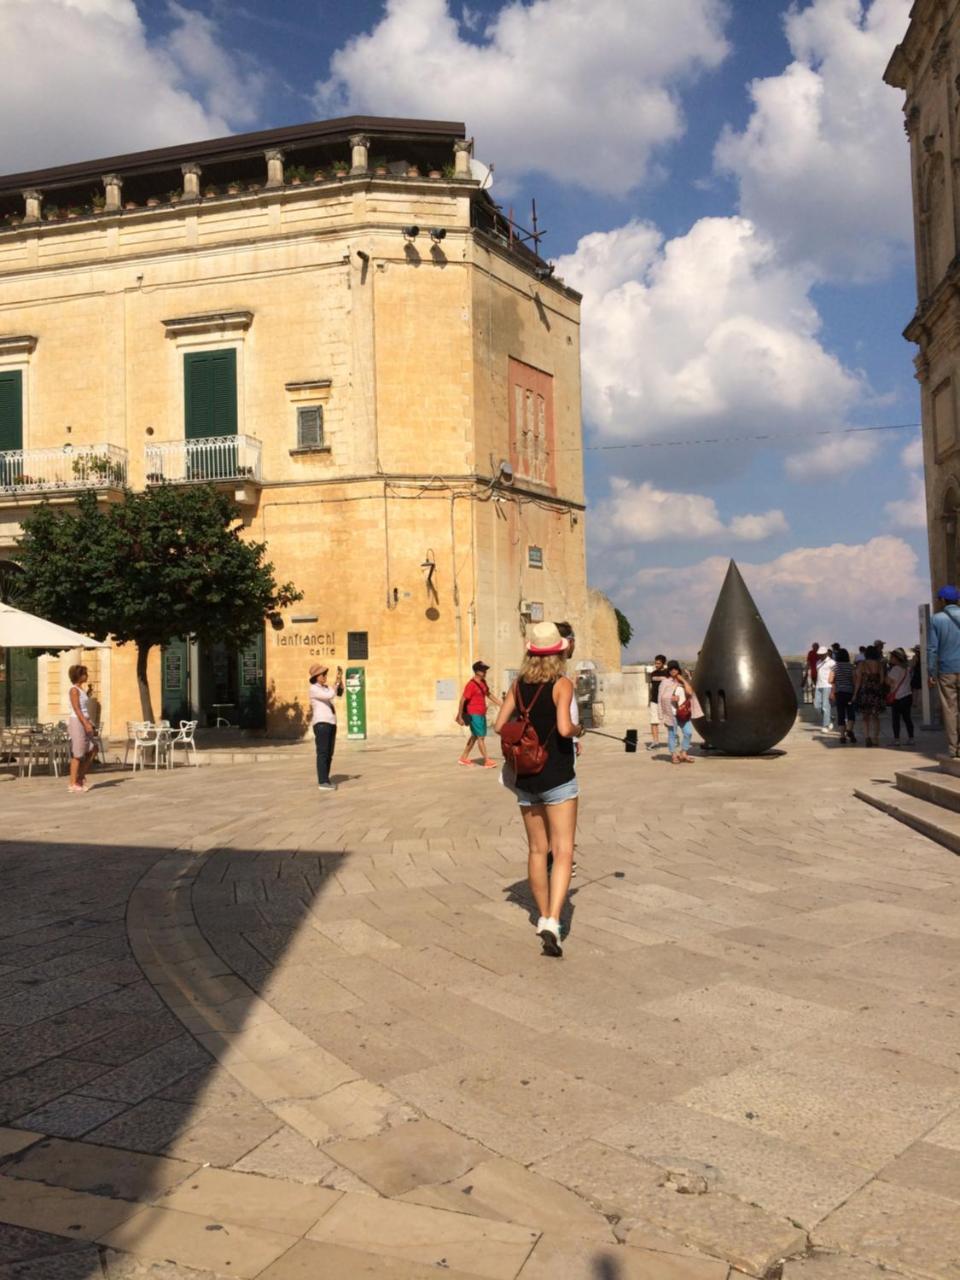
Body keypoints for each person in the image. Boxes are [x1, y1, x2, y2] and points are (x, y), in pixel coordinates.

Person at [494, 621, 582, 957]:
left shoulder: (518, 685)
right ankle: (553, 921)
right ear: (560, 650)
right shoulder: (562, 684)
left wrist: (524, 728)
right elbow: (563, 728)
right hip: (558, 776)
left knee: (536, 850)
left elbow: (499, 726)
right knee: (562, 851)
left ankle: (541, 913)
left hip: (526, 777)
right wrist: (579, 729)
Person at [928, 585, 960, 757]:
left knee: (949, 709)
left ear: (942, 600)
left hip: (946, 670)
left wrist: (931, 672)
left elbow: (932, 648)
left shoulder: (937, 619)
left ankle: (953, 748)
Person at [456, 660, 501, 768]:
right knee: (481, 737)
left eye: (485, 670)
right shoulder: (471, 685)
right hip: (473, 714)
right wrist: (460, 715)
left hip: (481, 713)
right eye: (483, 670)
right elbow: (462, 700)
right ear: (477, 671)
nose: (485, 672)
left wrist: (500, 703)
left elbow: (488, 694)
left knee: (475, 736)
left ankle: (463, 758)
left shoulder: (483, 683)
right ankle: (487, 761)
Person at [658, 660, 701, 763]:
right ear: (668, 670)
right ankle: (673, 755)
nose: (673, 670)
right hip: (671, 713)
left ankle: (683, 753)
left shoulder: (682, 681)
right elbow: (660, 697)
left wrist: (683, 680)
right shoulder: (665, 682)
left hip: (683, 713)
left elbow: (690, 692)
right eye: (671, 669)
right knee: (672, 734)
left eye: (675, 668)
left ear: (678, 669)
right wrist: (671, 698)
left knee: (688, 733)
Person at [309, 663, 343, 791]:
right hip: (321, 723)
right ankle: (322, 781)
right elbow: (329, 696)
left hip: (331, 722)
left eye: (325, 674)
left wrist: (340, 682)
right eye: (323, 674)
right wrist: (334, 687)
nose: (325, 676)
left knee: (329, 753)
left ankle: (326, 779)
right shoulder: (313, 688)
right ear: (316, 677)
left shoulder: (326, 688)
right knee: (323, 752)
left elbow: (338, 694)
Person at [67, 664, 96, 793]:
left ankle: (80, 777)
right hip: (78, 722)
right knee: (78, 753)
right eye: (85, 673)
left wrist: (89, 692)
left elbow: (83, 705)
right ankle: (73, 783)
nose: (87, 675)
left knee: (93, 748)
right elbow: (76, 708)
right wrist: (85, 723)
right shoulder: (73, 690)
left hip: (84, 720)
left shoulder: (80, 689)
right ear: (79, 676)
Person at [853, 645, 885, 747]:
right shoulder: (880, 665)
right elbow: (882, 680)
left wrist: (855, 694)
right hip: (876, 692)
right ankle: (875, 738)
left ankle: (867, 737)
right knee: (875, 717)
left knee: (865, 717)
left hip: (865, 692)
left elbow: (858, 681)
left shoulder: (862, 664)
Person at [886, 648, 914, 748]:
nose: (891, 658)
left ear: (896, 658)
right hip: (907, 695)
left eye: (892, 657)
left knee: (896, 719)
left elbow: (888, 682)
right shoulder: (907, 668)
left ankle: (897, 740)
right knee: (907, 719)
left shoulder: (895, 669)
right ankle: (911, 738)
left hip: (897, 697)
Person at [830, 648, 857, 744]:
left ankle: (842, 736)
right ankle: (849, 730)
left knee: (841, 714)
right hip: (849, 693)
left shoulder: (835, 667)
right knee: (851, 713)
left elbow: (830, 679)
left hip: (839, 693)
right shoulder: (851, 667)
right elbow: (854, 681)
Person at [647, 654, 667, 747]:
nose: (656, 665)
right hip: (654, 700)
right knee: (654, 721)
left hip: (665, 700)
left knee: (668, 721)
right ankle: (655, 741)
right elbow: (651, 688)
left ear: (663, 663)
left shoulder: (667, 673)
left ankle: (674, 737)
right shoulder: (653, 673)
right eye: (656, 663)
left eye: (658, 663)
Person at [814, 646, 835, 731]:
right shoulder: (818, 662)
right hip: (819, 685)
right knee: (817, 705)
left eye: (822, 654)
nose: (820, 655)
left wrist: (833, 687)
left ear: (826, 653)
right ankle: (829, 717)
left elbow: (834, 675)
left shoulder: (832, 662)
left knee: (825, 706)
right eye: (819, 654)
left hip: (827, 685)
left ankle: (826, 725)